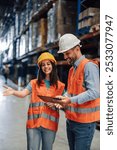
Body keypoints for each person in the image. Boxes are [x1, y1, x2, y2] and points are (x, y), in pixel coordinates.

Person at [3, 52, 65, 150]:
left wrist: (58, 104)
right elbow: (23, 93)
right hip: (33, 124)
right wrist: (13, 92)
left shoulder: (60, 86)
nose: (46, 67)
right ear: (40, 68)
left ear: (53, 65)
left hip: (50, 125)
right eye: (43, 65)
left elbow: (64, 102)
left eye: (48, 64)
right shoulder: (34, 83)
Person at [56, 33, 100, 150]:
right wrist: (61, 99)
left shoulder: (89, 66)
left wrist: (70, 100)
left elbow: (95, 92)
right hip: (71, 121)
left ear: (77, 49)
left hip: (84, 124)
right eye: (64, 54)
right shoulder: (71, 70)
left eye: (67, 53)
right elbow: (70, 92)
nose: (65, 57)